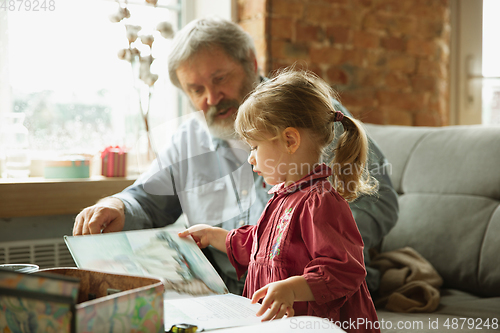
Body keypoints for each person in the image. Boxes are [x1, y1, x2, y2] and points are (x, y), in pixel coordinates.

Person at [72, 16, 398, 296]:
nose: (212, 97)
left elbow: (381, 199)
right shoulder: (188, 139)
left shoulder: (310, 116)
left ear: (251, 64)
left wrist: (302, 244)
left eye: (220, 79)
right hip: (223, 292)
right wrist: (116, 206)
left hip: (311, 291)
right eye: (196, 89)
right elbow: (145, 200)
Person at [178, 68, 380, 332]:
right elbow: (264, 247)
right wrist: (215, 235)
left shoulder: (319, 202)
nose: (250, 158)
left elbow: (344, 271)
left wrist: (293, 289)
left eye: (254, 146)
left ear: (289, 140)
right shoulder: (283, 196)